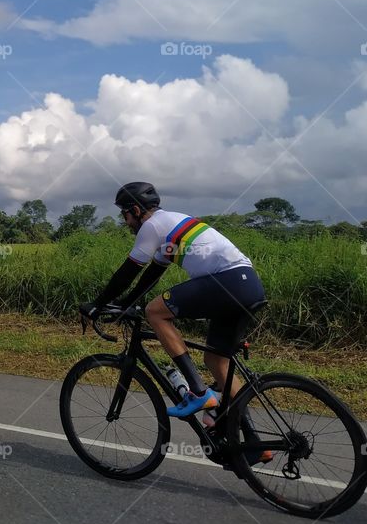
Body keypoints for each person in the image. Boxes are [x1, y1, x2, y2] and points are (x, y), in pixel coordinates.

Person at [81, 182, 268, 443]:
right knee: (216, 362)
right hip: (248, 286)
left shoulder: (152, 226)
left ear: (135, 209)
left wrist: (98, 304)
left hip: (227, 282)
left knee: (155, 312)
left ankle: (199, 391)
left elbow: (128, 272)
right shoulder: (172, 225)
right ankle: (254, 442)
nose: (126, 223)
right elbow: (150, 276)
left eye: (125, 215)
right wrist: (123, 305)